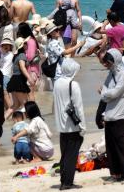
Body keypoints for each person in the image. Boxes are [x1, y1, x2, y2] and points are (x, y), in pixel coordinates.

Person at [99, 48, 124, 183]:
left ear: (115, 60)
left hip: (121, 112)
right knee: (111, 146)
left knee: (122, 145)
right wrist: (106, 93)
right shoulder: (111, 73)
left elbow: (115, 92)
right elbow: (106, 89)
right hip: (109, 113)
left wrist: (104, 94)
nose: (106, 64)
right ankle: (115, 173)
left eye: (108, 62)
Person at [53, 57, 84, 190]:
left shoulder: (57, 83)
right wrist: (83, 126)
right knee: (71, 155)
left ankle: (63, 180)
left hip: (61, 125)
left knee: (65, 154)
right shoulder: (73, 84)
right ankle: (67, 183)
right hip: (72, 125)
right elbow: (78, 107)